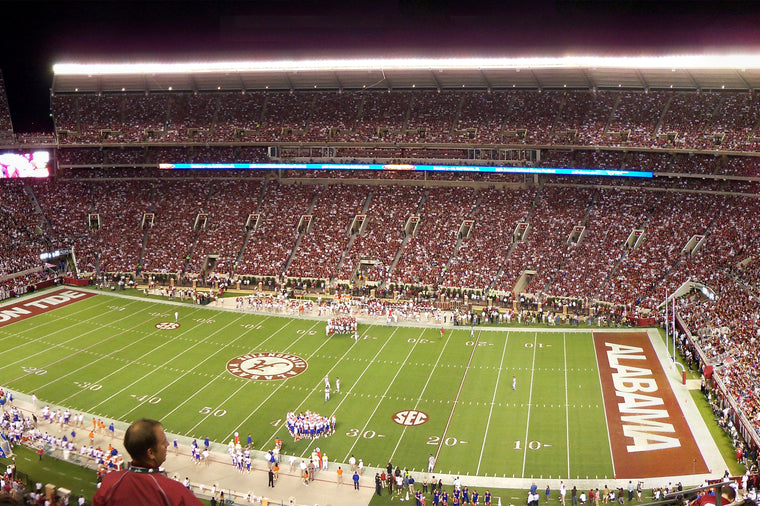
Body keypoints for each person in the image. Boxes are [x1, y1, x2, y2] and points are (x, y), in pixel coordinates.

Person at [92, 418, 204, 505]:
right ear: (150, 453)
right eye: (163, 442)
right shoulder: (173, 491)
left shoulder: (110, 483)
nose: (167, 444)